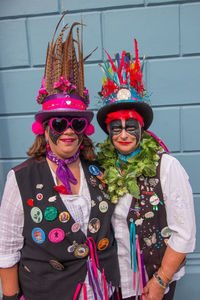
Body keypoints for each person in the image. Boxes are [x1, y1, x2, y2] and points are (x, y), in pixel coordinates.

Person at [0, 13, 120, 300]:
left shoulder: (99, 169)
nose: (68, 130)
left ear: (85, 129)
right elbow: (7, 247)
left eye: (76, 123)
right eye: (59, 123)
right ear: (44, 129)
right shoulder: (21, 177)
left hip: (102, 289)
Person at [96, 40, 196, 300]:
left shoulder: (167, 166)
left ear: (142, 128)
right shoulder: (100, 169)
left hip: (152, 283)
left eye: (131, 125)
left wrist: (161, 280)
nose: (124, 133)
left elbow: (184, 233)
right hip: (112, 284)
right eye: (116, 127)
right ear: (108, 132)